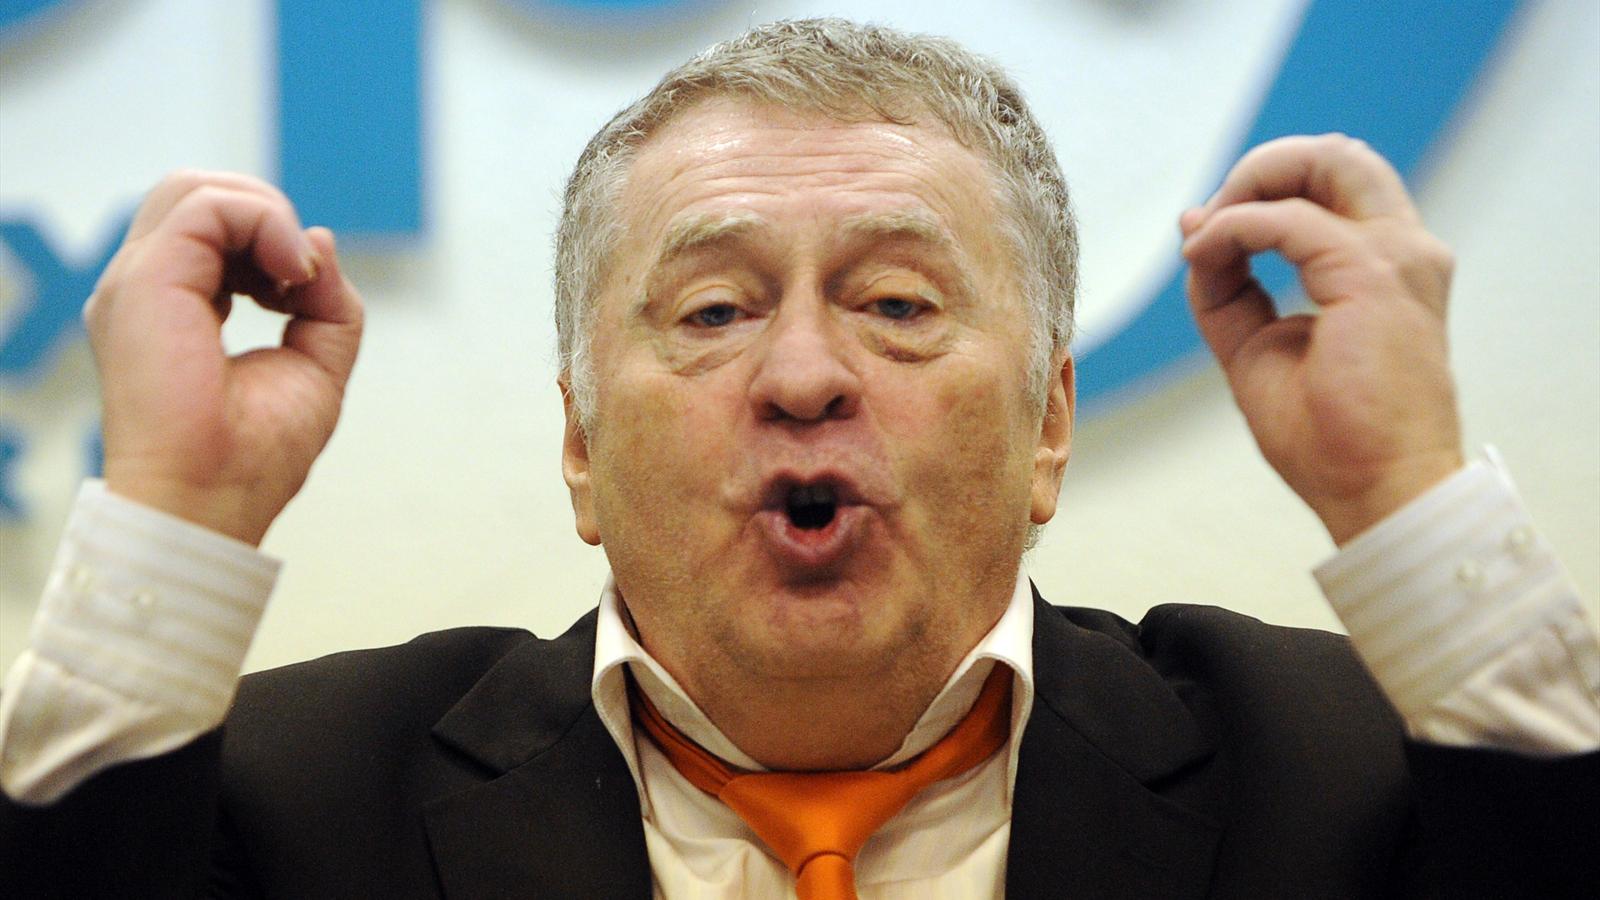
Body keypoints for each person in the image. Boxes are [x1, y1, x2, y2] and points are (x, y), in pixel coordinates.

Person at [1, 18, 1596, 900]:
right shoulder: (298, 802)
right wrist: (176, 513)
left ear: (1047, 422)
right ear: (579, 440)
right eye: (712, 309)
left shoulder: (1336, 774)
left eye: (898, 304)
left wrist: (1405, 494)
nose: (806, 375)